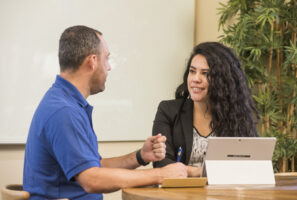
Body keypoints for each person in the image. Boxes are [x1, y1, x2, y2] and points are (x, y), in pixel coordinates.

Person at [23, 25, 187, 200]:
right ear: (92, 61)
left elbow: (94, 167)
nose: (108, 67)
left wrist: (140, 156)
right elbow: (91, 180)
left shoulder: (66, 102)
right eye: (106, 58)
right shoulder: (64, 111)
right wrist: (160, 175)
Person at [152, 42, 259, 177]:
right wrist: (200, 172)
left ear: (223, 80)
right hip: (180, 193)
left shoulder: (238, 114)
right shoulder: (168, 110)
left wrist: (187, 170)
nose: (196, 79)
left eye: (205, 73)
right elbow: (161, 163)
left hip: (224, 193)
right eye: (192, 71)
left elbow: (253, 161)